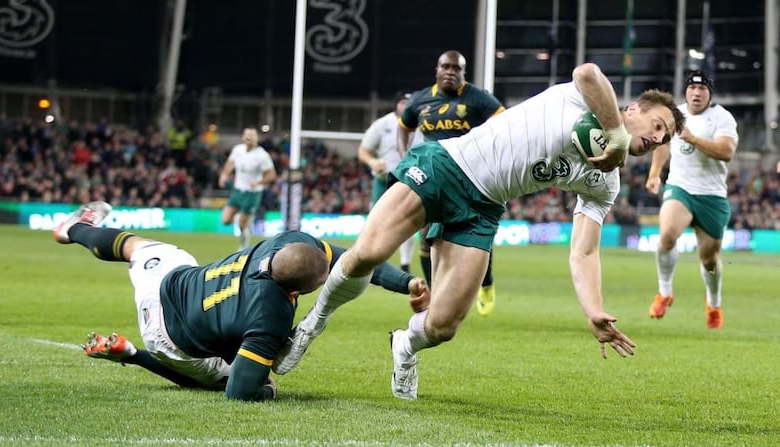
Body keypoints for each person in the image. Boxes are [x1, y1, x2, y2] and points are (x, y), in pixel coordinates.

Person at [274, 62, 685, 399]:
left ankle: (405, 345)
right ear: (633, 110)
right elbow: (589, 72)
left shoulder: (605, 182)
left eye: (664, 136)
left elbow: (584, 252)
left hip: (483, 209)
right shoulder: (584, 98)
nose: (658, 137)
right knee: (370, 253)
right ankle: (314, 321)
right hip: (447, 167)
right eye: (658, 123)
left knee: (443, 326)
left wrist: (593, 309)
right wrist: (614, 138)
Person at [53, 201, 429, 402]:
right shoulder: (270, 320)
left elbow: (353, 260)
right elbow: (239, 393)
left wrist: (405, 282)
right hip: (167, 336)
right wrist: (266, 388)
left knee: (134, 245)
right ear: (297, 294)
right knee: (232, 380)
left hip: (172, 281)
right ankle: (132, 354)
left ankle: (73, 229)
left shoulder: (289, 243)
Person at [397, 50, 506, 316]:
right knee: (426, 238)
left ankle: (487, 284)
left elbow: (504, 122)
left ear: (463, 73)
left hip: (470, 178)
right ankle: (434, 294)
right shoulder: (421, 100)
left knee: (477, 236)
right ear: (436, 70)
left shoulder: (478, 98)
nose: (450, 72)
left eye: (456, 68)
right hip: (432, 178)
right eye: (445, 66)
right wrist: (405, 156)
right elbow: (404, 126)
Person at [645, 70, 739, 329]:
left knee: (709, 260)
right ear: (685, 91)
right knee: (666, 236)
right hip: (680, 188)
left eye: (702, 89)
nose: (696, 93)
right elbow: (663, 144)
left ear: (710, 93)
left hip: (711, 196)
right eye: (691, 88)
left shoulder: (722, 118)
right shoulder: (674, 114)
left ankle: (714, 302)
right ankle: (664, 292)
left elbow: (726, 152)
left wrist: (694, 139)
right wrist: (655, 174)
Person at [357, 91, 417, 273]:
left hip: (410, 181)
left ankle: (405, 264)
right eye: (402, 102)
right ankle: (367, 262)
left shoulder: (422, 125)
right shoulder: (382, 125)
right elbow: (363, 150)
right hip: (384, 181)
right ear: (396, 104)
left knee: (410, 222)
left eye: (409, 103)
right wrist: (373, 161)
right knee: (376, 222)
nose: (405, 106)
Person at [218, 127, 277, 250]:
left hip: (252, 194)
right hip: (238, 190)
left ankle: (243, 246)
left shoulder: (262, 155)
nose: (249, 138)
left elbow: (271, 175)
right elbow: (230, 163)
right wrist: (224, 175)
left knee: (242, 225)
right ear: (243, 137)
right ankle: (244, 221)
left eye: (252, 135)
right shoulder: (238, 150)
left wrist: (259, 181)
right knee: (225, 220)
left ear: (256, 138)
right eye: (247, 135)